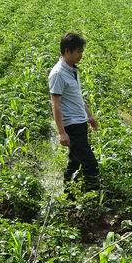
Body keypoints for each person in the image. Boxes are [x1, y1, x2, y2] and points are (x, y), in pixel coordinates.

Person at [49, 32, 100, 191]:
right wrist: (62, 133)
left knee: (75, 161)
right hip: (72, 125)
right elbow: (55, 105)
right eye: (78, 51)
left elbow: (76, 96)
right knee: (90, 162)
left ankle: (69, 194)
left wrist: (89, 115)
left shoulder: (71, 69)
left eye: (81, 51)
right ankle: (92, 196)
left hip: (80, 121)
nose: (81, 55)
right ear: (66, 51)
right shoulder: (58, 74)